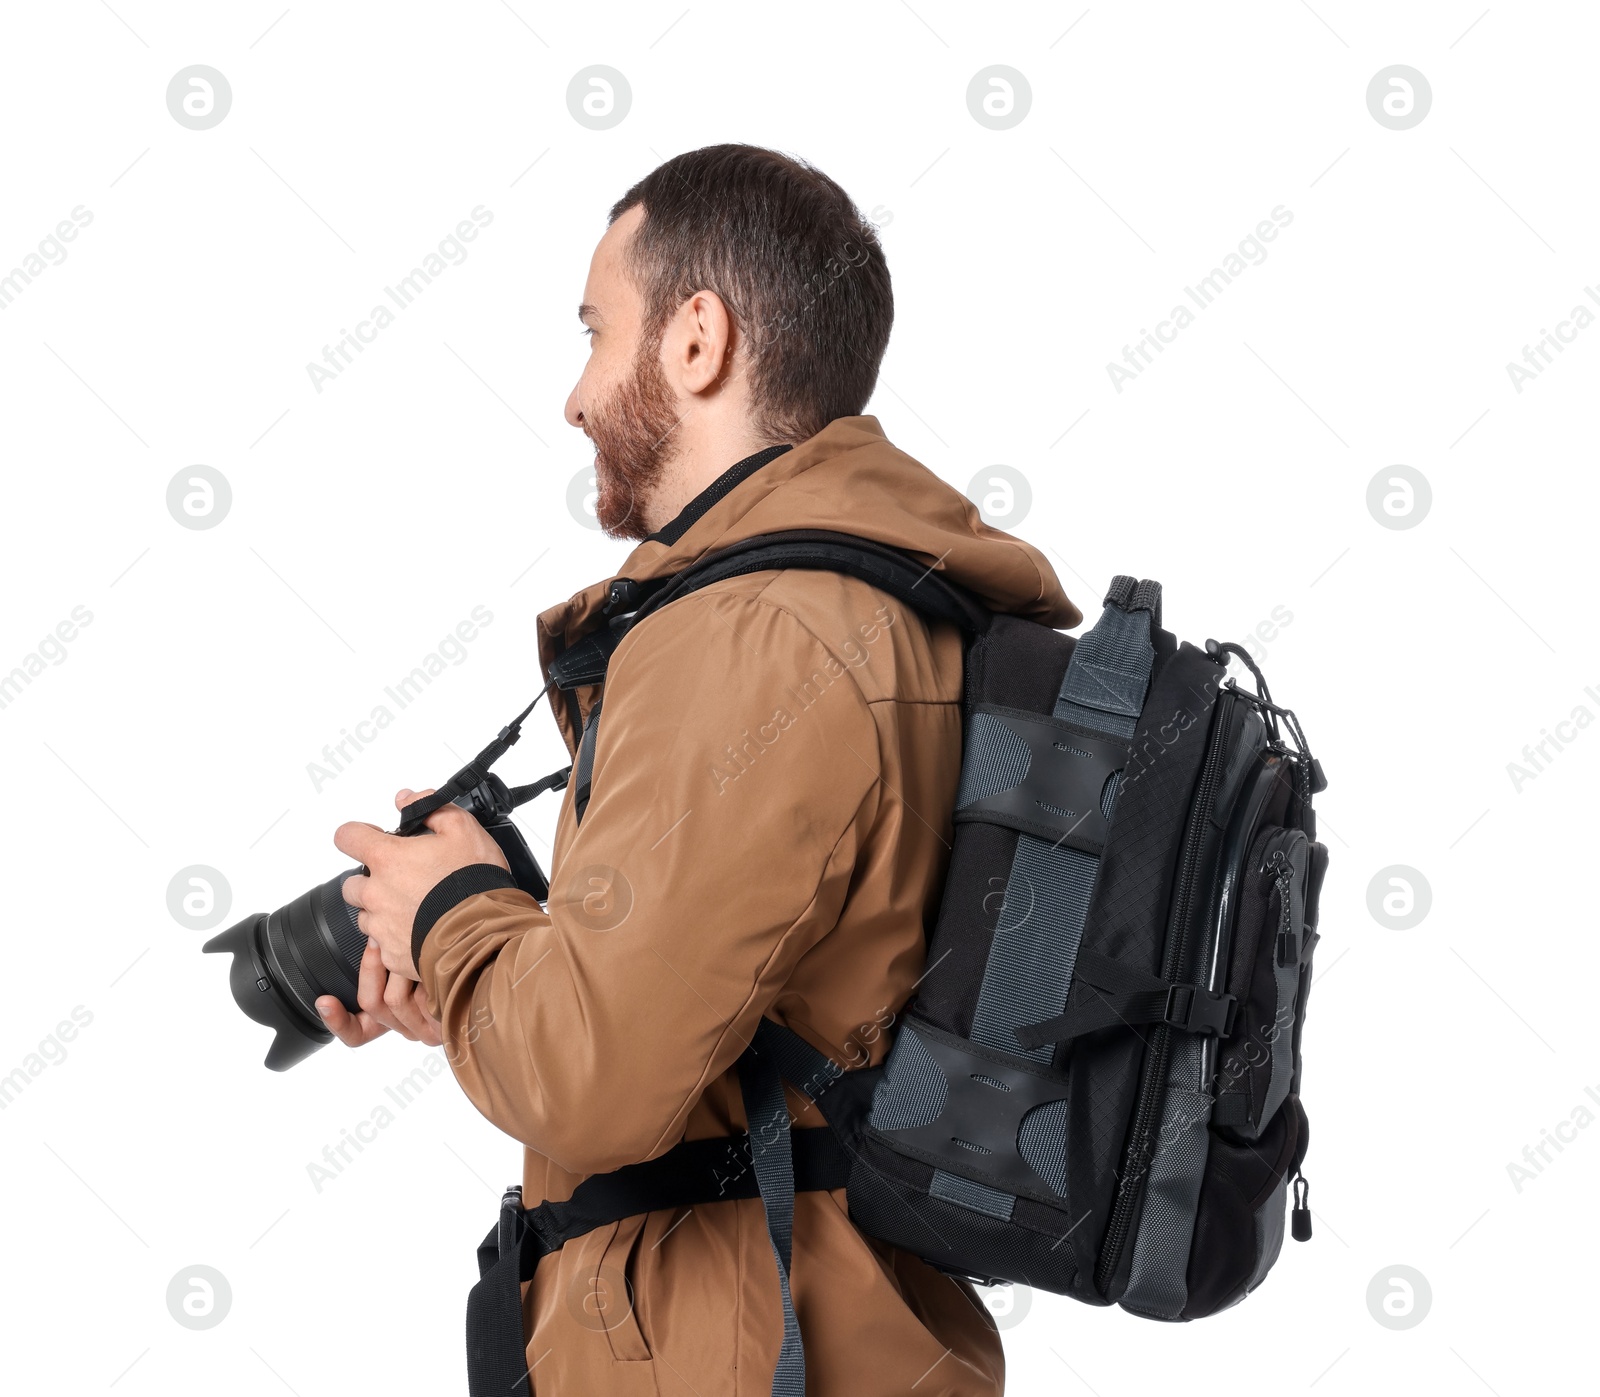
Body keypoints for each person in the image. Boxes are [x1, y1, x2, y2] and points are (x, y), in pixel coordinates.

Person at [326, 143, 1077, 1396]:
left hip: (730, 1353)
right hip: (846, 1330)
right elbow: (756, 1011)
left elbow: (596, 1080)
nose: (572, 395)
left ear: (695, 338)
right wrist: (468, 975)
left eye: (592, 329)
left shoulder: (751, 629)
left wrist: (452, 911)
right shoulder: (900, 603)